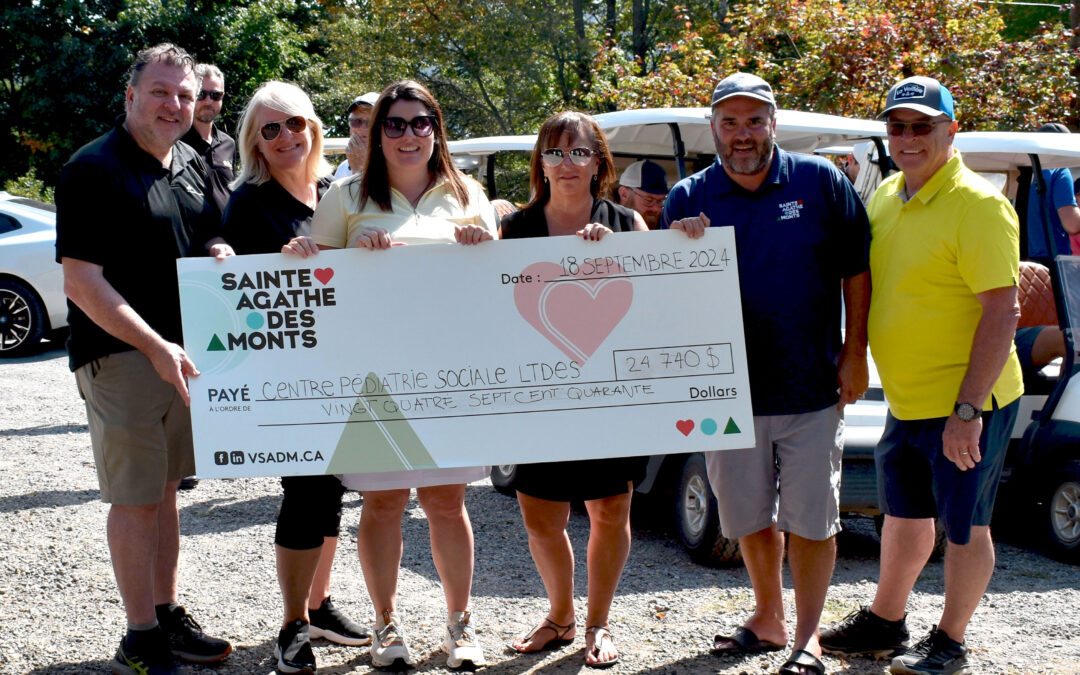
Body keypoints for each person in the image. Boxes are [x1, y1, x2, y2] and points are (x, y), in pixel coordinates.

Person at [282, 80, 496, 671]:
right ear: (377, 134)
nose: (408, 134)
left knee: (448, 503)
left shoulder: (467, 193)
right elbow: (311, 279)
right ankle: (385, 625)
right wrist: (313, 255)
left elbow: (498, 287)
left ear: (436, 128)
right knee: (382, 503)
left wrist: (482, 245)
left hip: (448, 377)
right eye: (394, 124)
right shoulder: (347, 195)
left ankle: (460, 626)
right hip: (373, 381)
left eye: (420, 122)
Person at [662, 72, 871, 675]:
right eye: (730, 122)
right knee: (746, 516)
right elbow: (667, 294)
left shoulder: (819, 181)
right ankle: (768, 617)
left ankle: (809, 636)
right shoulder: (687, 197)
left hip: (810, 384)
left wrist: (854, 351)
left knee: (811, 519)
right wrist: (677, 246)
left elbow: (857, 269)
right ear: (714, 129)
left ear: (774, 123)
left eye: (755, 120)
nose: (743, 133)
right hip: (725, 390)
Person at [819, 76, 1024, 675]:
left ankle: (950, 641)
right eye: (897, 126)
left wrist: (967, 412)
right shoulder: (886, 194)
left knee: (966, 523)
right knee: (905, 513)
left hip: (967, 402)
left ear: (950, 131)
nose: (907, 138)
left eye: (922, 127)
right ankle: (886, 622)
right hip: (907, 398)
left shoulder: (981, 207)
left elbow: (1002, 311)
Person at [54, 43, 234, 675]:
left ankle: (164, 614)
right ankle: (139, 637)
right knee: (134, 498)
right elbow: (81, 281)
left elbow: (210, 230)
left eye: (185, 95)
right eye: (160, 92)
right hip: (124, 356)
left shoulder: (190, 160)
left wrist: (219, 251)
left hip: (183, 356)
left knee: (163, 492)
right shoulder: (93, 169)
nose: (174, 104)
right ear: (130, 96)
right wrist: (154, 346)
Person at [221, 80, 370, 674]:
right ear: (255, 141)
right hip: (288, 374)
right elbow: (234, 296)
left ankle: (320, 605)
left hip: (346, 365)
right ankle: (291, 625)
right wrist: (271, 263)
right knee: (306, 489)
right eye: (270, 128)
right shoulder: (247, 202)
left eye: (296, 124)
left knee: (333, 489)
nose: (286, 137)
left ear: (313, 127)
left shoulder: (341, 190)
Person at [500, 111, 648, 669]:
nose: (567, 164)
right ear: (540, 162)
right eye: (555, 153)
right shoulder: (514, 229)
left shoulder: (627, 222)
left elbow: (655, 304)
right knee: (542, 517)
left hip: (609, 398)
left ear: (598, 162)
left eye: (579, 152)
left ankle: (598, 622)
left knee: (610, 509)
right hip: (539, 399)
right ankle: (560, 616)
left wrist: (623, 255)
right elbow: (491, 309)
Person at [180, 64, 236, 214]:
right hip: (194, 234)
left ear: (222, 97)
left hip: (229, 233)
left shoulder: (228, 144)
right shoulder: (175, 142)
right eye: (201, 94)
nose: (208, 101)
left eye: (215, 95)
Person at [1024, 123, 1080, 264]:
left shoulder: (1022, 173)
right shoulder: (1059, 171)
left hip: (1020, 257)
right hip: (1051, 259)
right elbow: (1071, 224)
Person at [333, 92, 380, 179]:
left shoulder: (395, 166)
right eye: (355, 122)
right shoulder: (343, 168)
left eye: (371, 122)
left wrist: (359, 170)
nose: (362, 128)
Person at [613, 159, 668, 228]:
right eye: (648, 200)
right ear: (624, 194)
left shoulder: (667, 225)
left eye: (660, 201)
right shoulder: (606, 227)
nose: (656, 209)